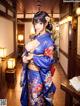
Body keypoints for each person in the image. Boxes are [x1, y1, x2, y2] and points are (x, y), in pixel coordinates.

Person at [20, 11, 56, 106]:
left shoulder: (48, 41)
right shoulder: (35, 37)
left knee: (36, 99)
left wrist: (33, 56)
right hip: (29, 73)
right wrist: (24, 57)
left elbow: (49, 60)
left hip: (38, 75)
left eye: (40, 23)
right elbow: (27, 52)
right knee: (29, 97)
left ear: (46, 23)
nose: (37, 26)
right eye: (35, 23)